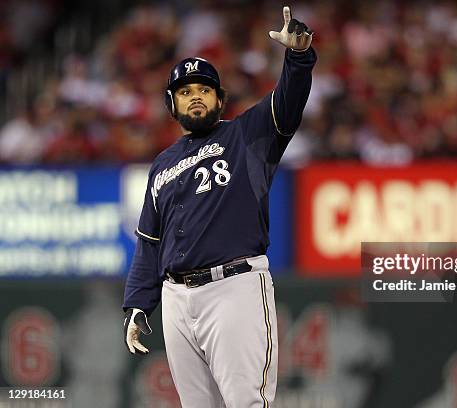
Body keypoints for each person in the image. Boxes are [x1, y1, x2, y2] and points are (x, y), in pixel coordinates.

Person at [122, 6, 316, 407]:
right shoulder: (161, 165)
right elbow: (149, 243)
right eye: (185, 91)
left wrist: (297, 58)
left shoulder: (247, 135)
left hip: (234, 288)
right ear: (172, 105)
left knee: (247, 402)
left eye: (204, 90)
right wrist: (138, 304)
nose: (195, 97)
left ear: (219, 99)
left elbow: (289, 102)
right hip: (176, 298)